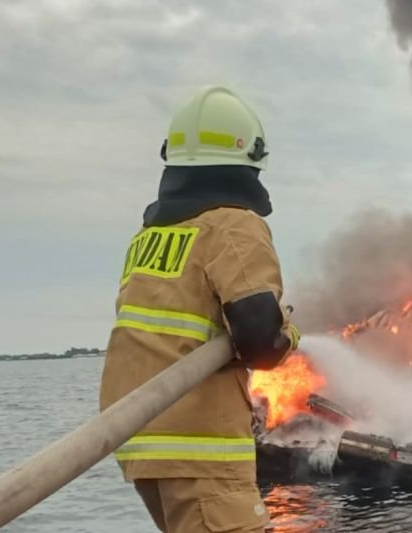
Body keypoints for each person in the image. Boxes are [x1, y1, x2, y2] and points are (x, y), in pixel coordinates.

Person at [99, 86, 299, 532]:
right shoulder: (232, 225)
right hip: (201, 446)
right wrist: (290, 334)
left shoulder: (149, 236)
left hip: (142, 443)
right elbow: (262, 343)